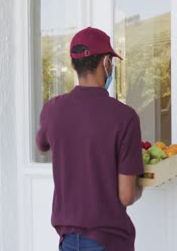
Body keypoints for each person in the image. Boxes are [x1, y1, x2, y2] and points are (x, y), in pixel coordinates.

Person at [36, 27, 144, 251]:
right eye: (111, 63)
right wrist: (141, 182)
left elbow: (42, 144)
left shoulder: (52, 110)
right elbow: (126, 195)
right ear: (106, 62)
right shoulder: (125, 117)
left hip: (67, 240)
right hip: (108, 241)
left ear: (75, 64)